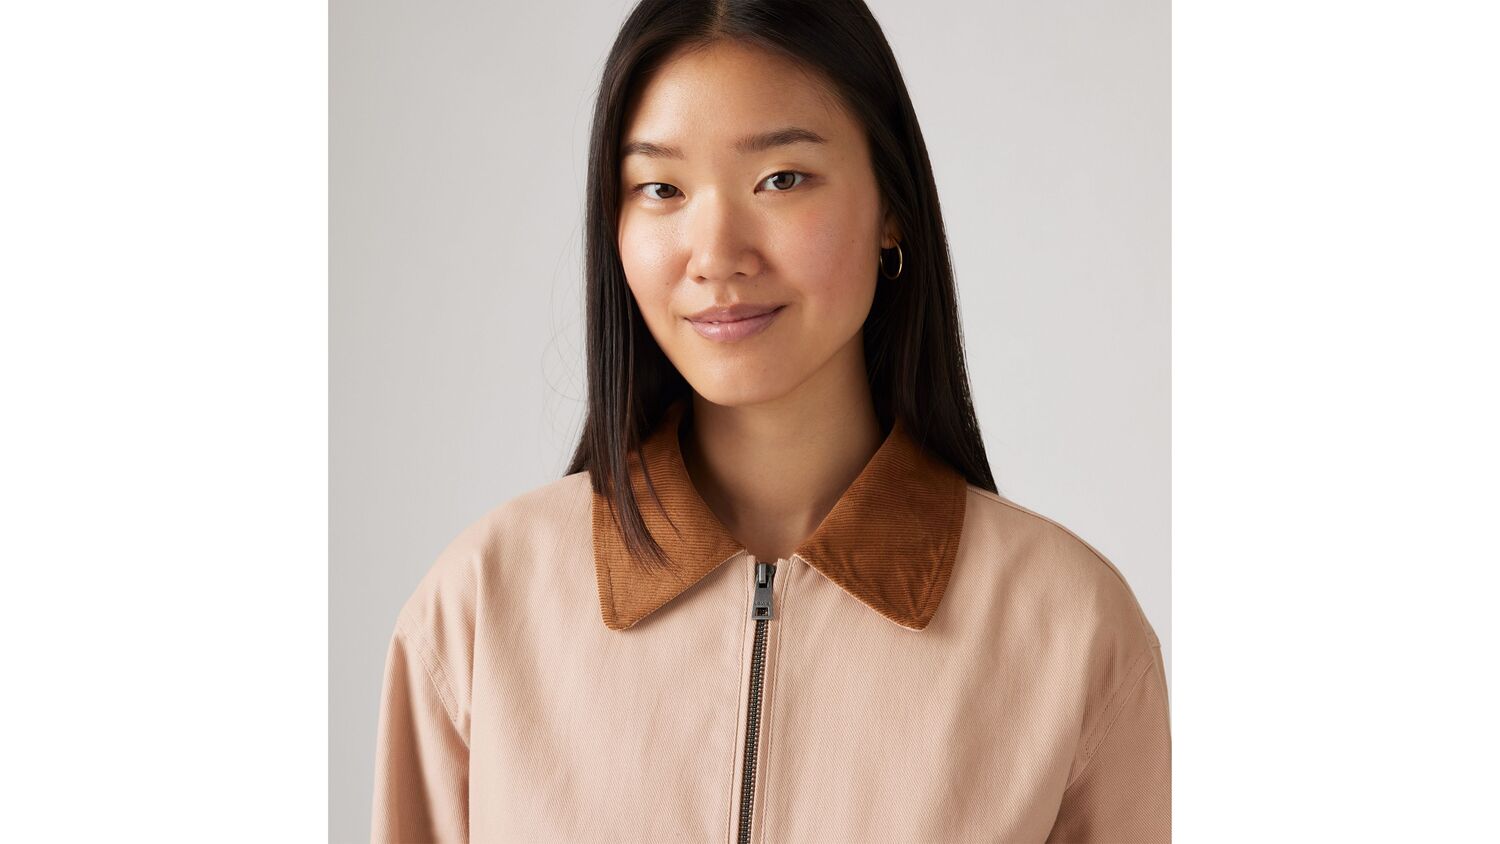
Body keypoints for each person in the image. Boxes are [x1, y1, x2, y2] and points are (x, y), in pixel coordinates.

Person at [370, 0, 1170, 841]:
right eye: (661, 189)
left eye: (781, 178)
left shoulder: (1073, 634)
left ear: (891, 205)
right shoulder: (478, 613)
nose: (716, 254)